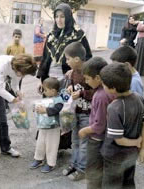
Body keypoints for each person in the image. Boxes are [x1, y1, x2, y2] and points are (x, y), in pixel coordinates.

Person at [36, 2, 92, 150]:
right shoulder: (51, 36)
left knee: (63, 109)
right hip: (50, 81)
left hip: (67, 82)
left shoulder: (78, 35)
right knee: (48, 109)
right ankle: (46, 143)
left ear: (68, 17)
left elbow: (87, 58)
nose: (59, 20)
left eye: (62, 17)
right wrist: (42, 80)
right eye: (57, 17)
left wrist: (74, 71)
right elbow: (45, 59)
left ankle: (60, 145)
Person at [100, 63, 144, 189]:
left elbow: (119, 140)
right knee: (128, 183)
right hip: (131, 155)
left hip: (115, 157)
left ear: (113, 88)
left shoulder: (114, 108)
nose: (102, 86)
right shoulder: (139, 99)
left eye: (104, 84)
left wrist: (136, 142)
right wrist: (142, 148)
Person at [78, 57, 114, 189]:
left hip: (97, 139)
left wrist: (85, 130)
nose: (86, 82)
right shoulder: (108, 91)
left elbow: (99, 125)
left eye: (87, 78)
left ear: (98, 78)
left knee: (93, 171)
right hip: (107, 139)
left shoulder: (100, 96)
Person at [61, 42, 95, 181]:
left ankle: (82, 169)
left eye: (68, 58)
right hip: (76, 111)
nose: (66, 61)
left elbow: (97, 92)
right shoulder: (73, 72)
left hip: (88, 114)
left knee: (84, 142)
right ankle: (74, 164)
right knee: (75, 140)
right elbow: (73, 85)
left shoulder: (90, 71)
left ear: (76, 59)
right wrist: (70, 87)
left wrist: (81, 94)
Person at [30, 77, 64, 173]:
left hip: (54, 127)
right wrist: (36, 108)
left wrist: (45, 110)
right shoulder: (47, 98)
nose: (43, 92)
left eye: (45, 90)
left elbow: (57, 110)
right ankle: (38, 159)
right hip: (43, 126)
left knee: (51, 145)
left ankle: (51, 163)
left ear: (53, 91)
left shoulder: (58, 100)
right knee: (40, 143)